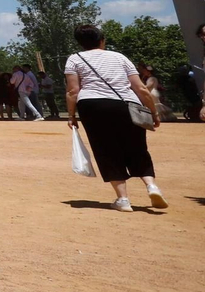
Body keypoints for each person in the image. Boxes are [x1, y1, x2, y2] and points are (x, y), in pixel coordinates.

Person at [64, 24, 166, 212]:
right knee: (137, 147)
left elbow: (73, 91)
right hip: (126, 104)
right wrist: (153, 112)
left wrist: (71, 115)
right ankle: (152, 186)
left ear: (79, 42)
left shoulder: (74, 59)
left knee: (106, 150)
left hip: (92, 106)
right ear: (102, 40)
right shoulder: (119, 57)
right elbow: (141, 89)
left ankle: (123, 200)